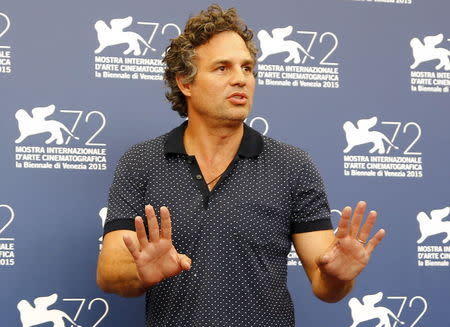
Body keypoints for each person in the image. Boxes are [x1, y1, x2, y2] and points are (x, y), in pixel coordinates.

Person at [96, 4, 385, 326]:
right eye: (223, 68)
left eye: (247, 68)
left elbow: (325, 286)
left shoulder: (292, 166)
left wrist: (339, 277)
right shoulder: (141, 162)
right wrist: (141, 271)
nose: (241, 79)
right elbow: (109, 275)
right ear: (185, 83)